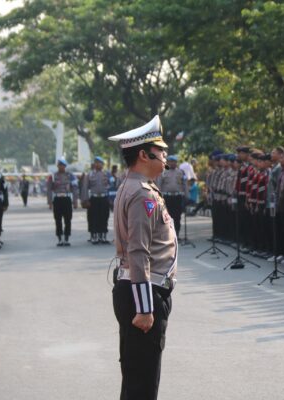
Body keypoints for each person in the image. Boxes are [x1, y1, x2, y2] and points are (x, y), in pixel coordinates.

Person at [109, 115, 177, 400]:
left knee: (137, 378)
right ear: (143, 154)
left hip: (139, 290)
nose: (165, 155)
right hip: (145, 293)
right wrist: (145, 307)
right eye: (160, 150)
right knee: (143, 384)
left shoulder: (135, 186)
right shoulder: (141, 193)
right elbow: (138, 250)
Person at [47, 158, 79, 246]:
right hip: (57, 199)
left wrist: (75, 201)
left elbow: (75, 188)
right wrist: (50, 202)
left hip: (67, 199)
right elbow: (49, 190)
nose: (61, 167)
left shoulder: (71, 176)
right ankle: (60, 238)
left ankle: (66, 238)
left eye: (63, 165)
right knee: (58, 219)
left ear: (65, 166)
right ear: (57, 166)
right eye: (59, 165)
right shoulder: (52, 176)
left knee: (68, 219)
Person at [81, 156, 111, 244]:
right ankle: (94, 236)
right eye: (96, 163)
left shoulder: (107, 174)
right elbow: (85, 188)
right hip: (93, 199)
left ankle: (103, 236)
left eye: (100, 163)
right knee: (93, 217)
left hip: (104, 198)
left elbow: (112, 187)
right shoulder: (89, 174)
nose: (98, 164)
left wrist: (112, 200)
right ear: (94, 164)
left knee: (104, 217)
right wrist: (85, 200)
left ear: (103, 164)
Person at [158, 155, 187, 241]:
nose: (172, 163)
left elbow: (185, 185)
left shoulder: (181, 172)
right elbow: (159, 185)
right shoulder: (163, 172)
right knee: (167, 216)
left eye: (174, 162)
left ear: (176, 163)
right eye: (170, 162)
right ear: (167, 162)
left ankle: (176, 234)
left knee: (177, 216)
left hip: (177, 197)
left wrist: (186, 195)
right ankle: (168, 235)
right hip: (167, 197)